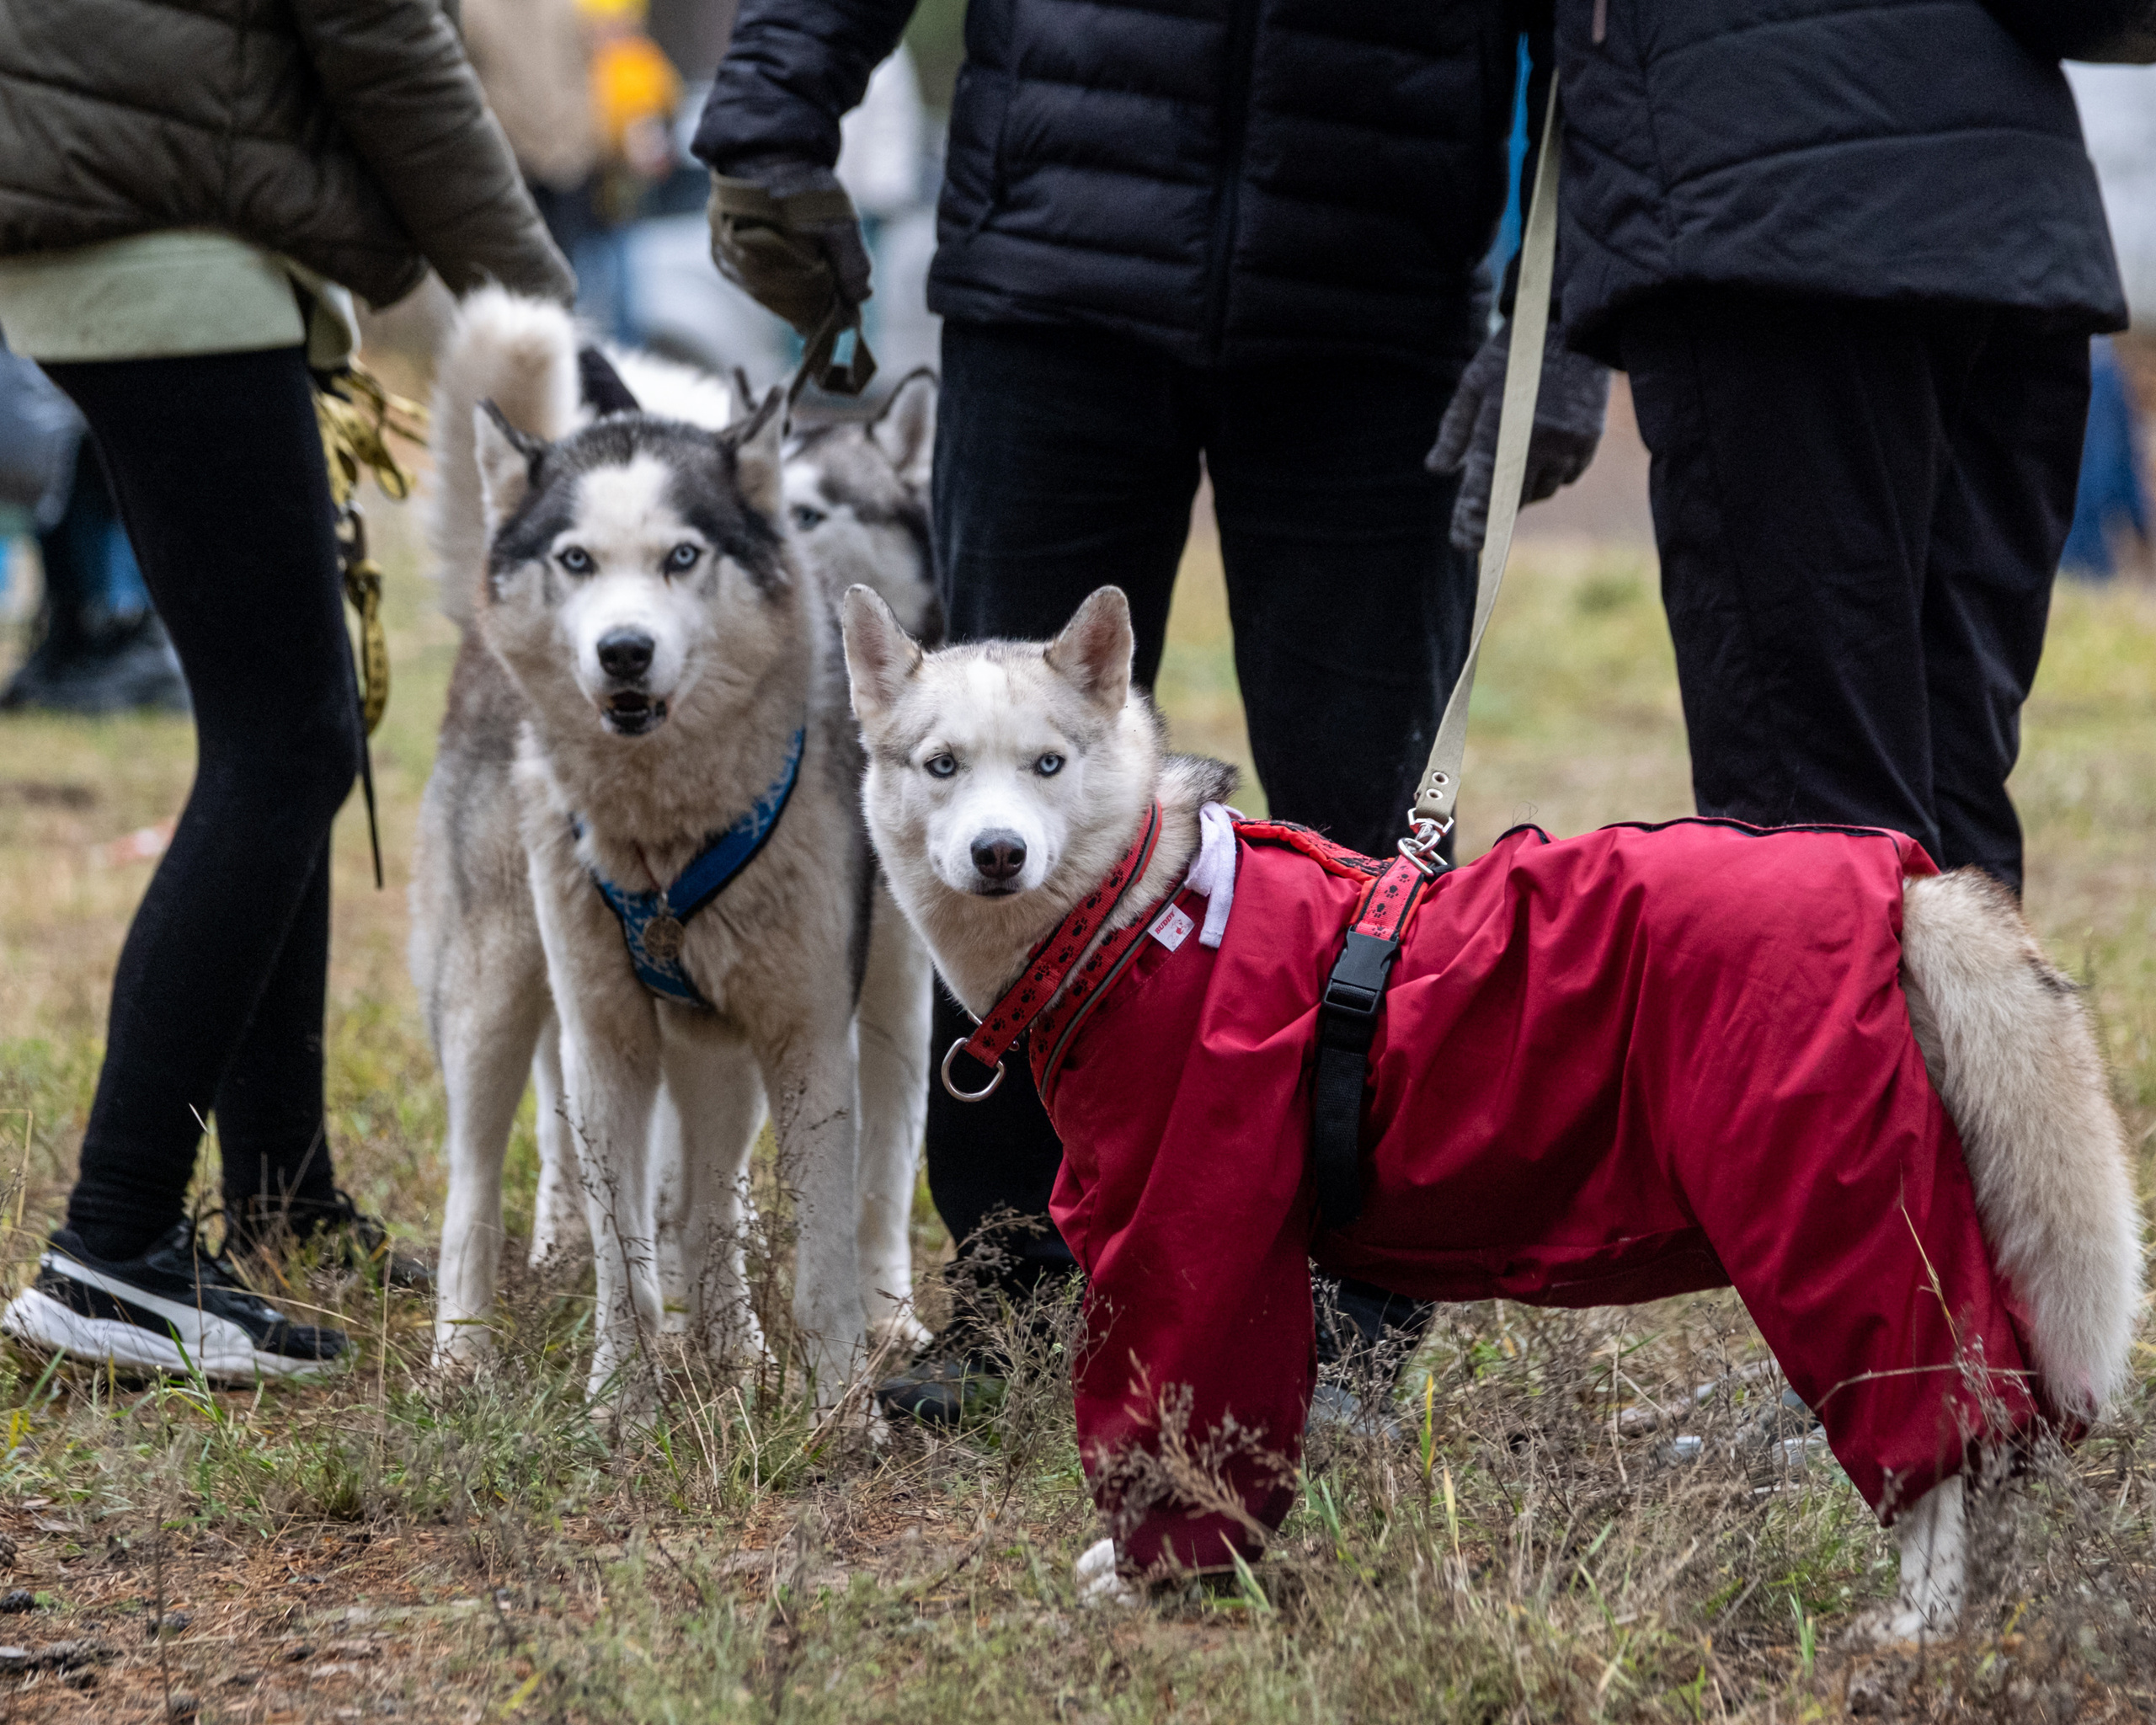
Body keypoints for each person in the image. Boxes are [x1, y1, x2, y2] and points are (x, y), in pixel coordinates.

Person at [693, 0, 1613, 1418]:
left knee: (1365, 849)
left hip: (1372, 292)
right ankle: (1019, 1288)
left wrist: (1570, 311)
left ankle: (1348, 1309)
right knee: (992, 807)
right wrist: (770, 110)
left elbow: (1594, 25)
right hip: (1060, 265)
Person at [0, 0, 574, 1377]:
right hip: (171, 253)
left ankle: (281, 1192)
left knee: (275, 724)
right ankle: (113, 1246)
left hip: (124, 228)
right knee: (290, 742)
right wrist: (544, 319)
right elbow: (385, 43)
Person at [1531, 0, 2132, 895]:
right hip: (2015, 212)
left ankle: (1862, 1035)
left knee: (1814, 813)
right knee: (1953, 778)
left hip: (1758, 213)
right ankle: (1968, 1040)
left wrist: (1527, 300)